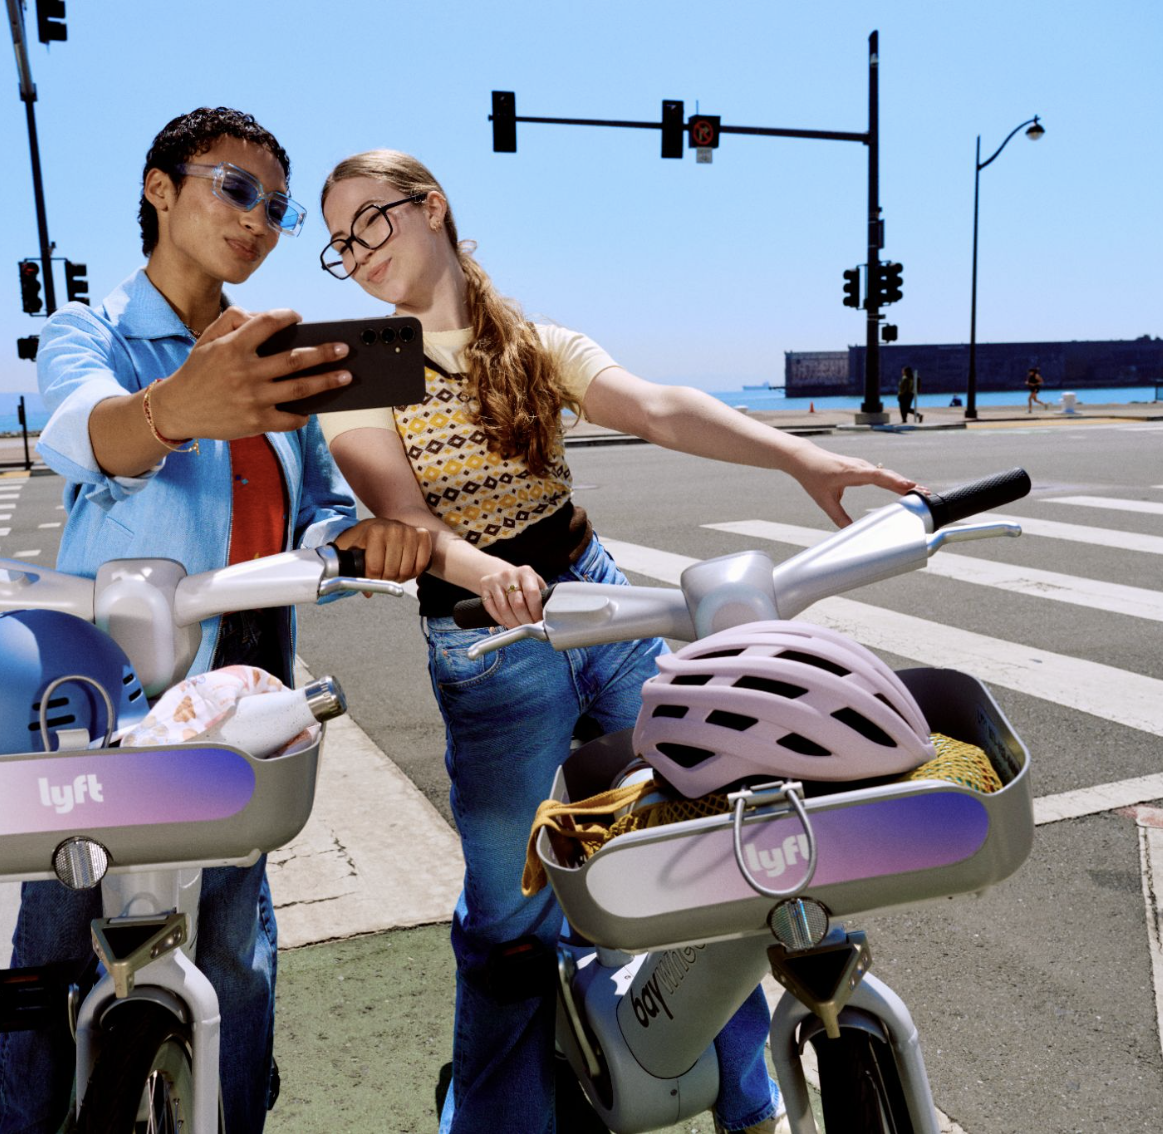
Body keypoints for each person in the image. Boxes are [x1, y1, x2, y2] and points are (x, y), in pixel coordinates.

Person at [314, 150, 920, 1134]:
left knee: (717, 835)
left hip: (603, 605)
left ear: (431, 208)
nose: (356, 253)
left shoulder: (529, 341)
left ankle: (746, 1098)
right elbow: (406, 519)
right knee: (510, 920)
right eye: (340, 245)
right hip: (488, 642)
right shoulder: (361, 364)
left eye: (369, 224)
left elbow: (656, 406)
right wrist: (488, 576)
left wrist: (801, 457)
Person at [0, 108, 430, 1134]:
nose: (260, 220)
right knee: (53, 935)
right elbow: (80, 434)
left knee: (237, 946)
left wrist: (356, 543)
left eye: (275, 207)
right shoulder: (93, 330)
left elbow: (317, 504)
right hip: (106, 694)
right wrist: (177, 408)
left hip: (246, 690)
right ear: (160, 189)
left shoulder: (275, 358)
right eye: (235, 189)